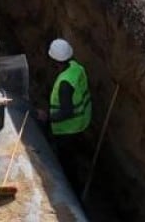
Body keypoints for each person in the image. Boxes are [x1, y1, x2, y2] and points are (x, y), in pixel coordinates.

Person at [37, 38, 92, 187]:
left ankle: (72, 186)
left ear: (55, 60)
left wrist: (47, 117)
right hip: (83, 121)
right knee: (75, 153)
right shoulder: (76, 67)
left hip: (68, 129)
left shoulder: (65, 83)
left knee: (67, 163)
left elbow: (66, 112)